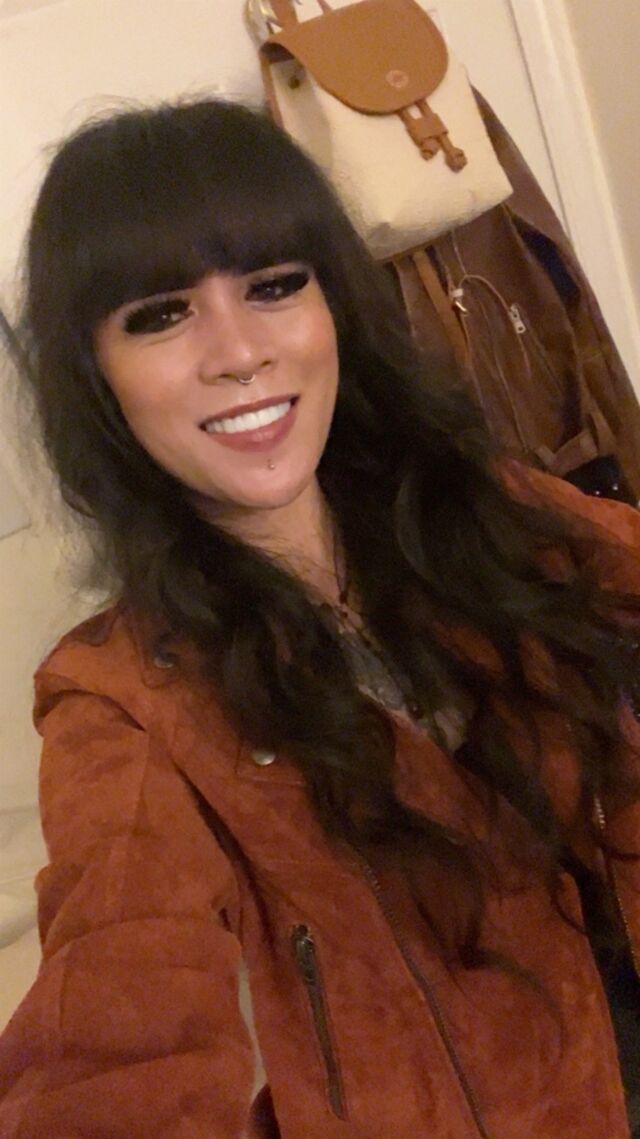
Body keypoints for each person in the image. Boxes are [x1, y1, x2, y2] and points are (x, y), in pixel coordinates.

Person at [0, 96, 639, 1139]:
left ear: (334, 304)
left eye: (273, 285)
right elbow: (115, 1021)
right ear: (96, 375)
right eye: (160, 315)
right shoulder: (121, 698)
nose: (239, 352)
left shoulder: (487, 510)